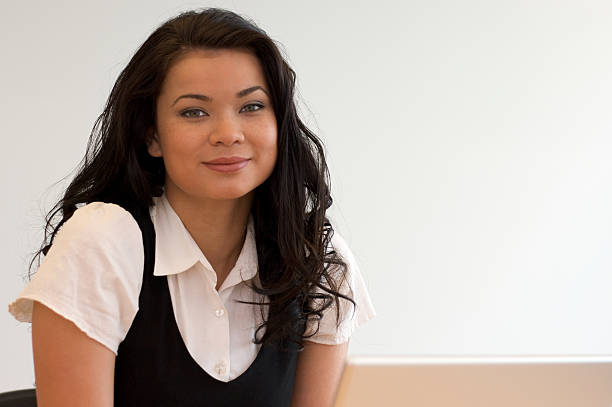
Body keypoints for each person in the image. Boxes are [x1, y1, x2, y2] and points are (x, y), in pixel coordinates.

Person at [9, 8, 375, 407]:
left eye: (251, 106)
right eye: (194, 112)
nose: (227, 134)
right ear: (152, 136)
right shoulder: (102, 242)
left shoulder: (317, 259)